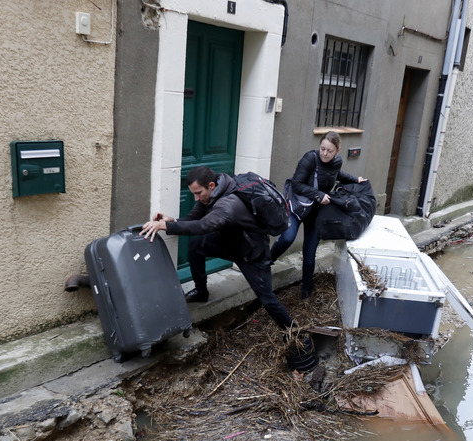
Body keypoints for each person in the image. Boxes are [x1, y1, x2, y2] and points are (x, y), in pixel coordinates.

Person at [139, 165, 295, 329]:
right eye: (194, 193)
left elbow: (203, 226)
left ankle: (294, 333)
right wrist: (173, 221)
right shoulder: (213, 192)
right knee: (196, 244)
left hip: (251, 253)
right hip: (230, 244)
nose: (196, 198)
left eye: (198, 193)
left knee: (267, 299)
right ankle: (201, 291)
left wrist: (166, 227)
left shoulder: (228, 205)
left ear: (211, 186)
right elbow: (194, 218)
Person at [270, 131, 367, 298]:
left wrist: (355, 180)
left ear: (337, 150)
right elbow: (296, 184)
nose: (324, 153)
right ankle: (266, 261)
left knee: (310, 253)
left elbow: (337, 175)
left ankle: (306, 291)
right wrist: (318, 195)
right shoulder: (310, 159)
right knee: (287, 238)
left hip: (315, 213)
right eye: (322, 148)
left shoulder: (336, 162)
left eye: (329, 150)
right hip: (298, 207)